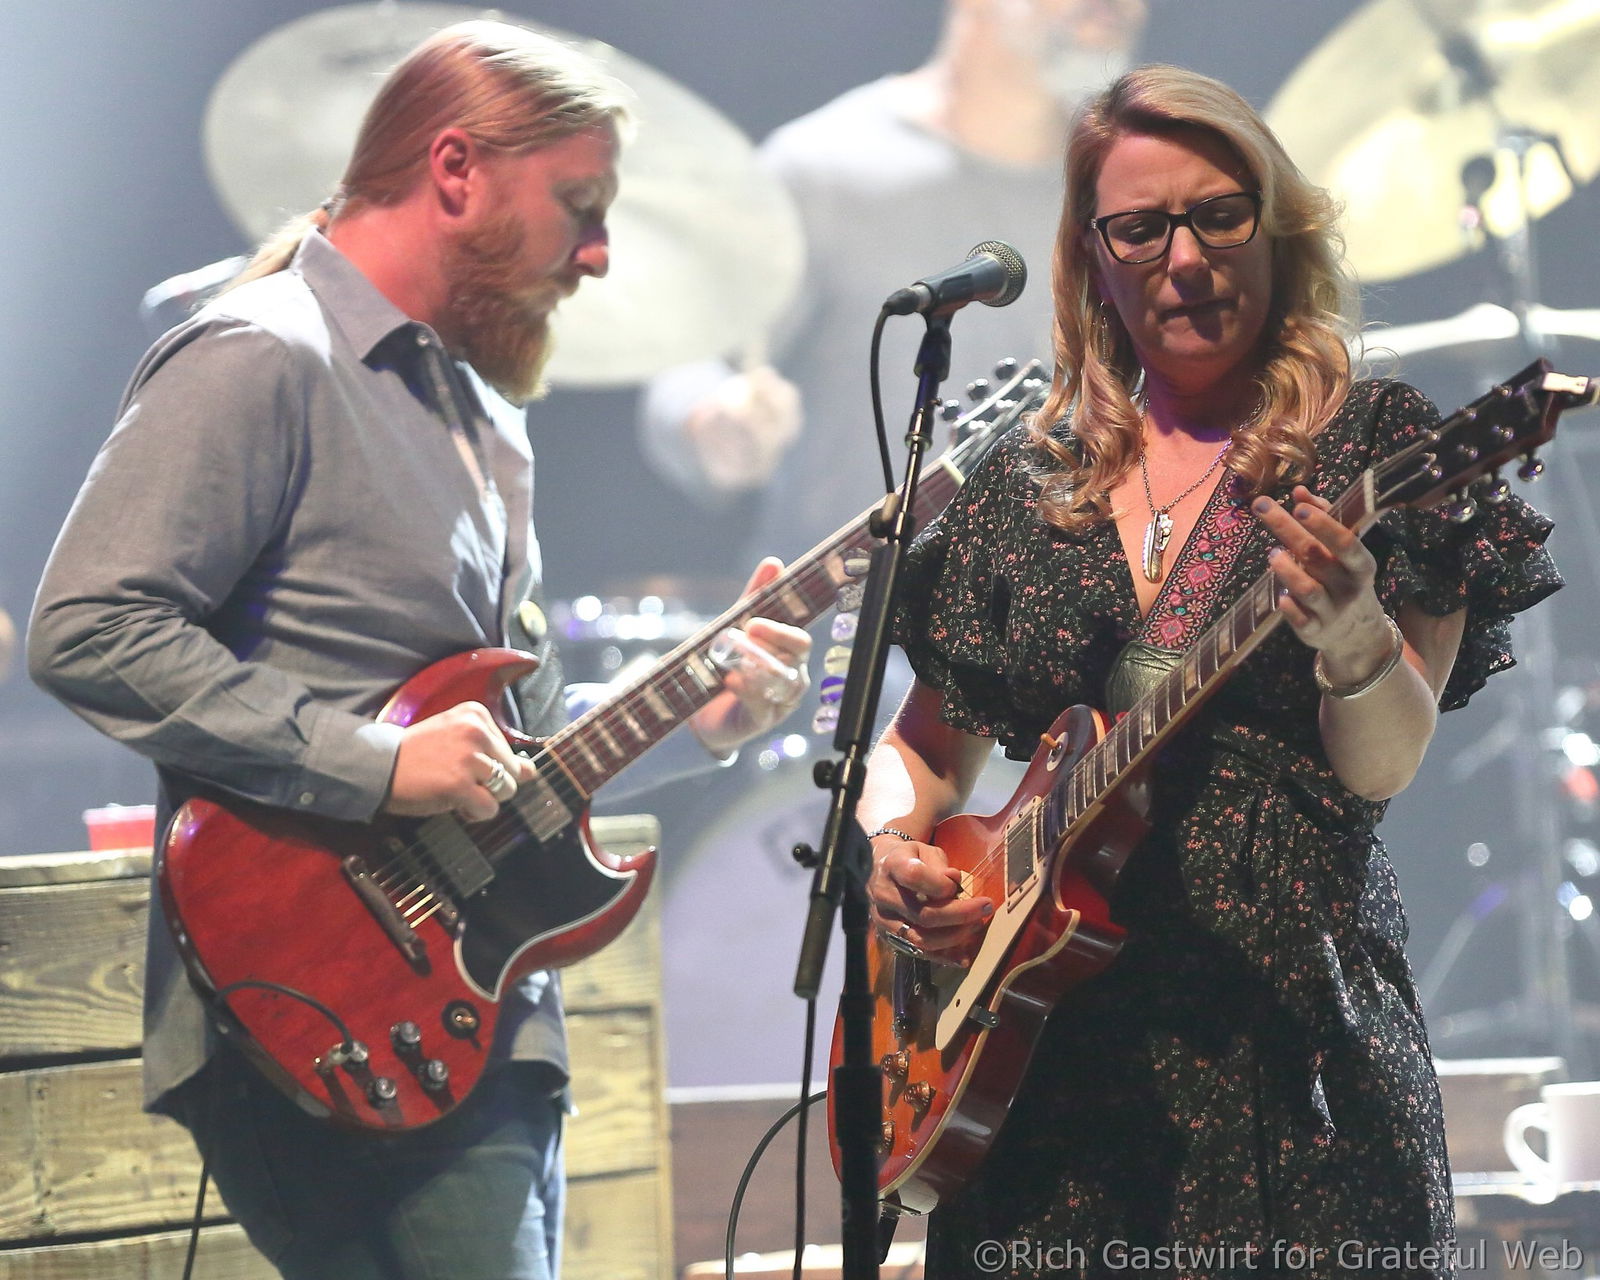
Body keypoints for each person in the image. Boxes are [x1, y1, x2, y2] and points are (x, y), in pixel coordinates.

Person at [28, 22, 810, 1280]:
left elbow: (522, 751)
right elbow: (88, 625)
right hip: (316, 992)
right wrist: (379, 764)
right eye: (580, 205)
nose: (600, 253)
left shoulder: (482, 414)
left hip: (473, 1017)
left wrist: (694, 722)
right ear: (456, 171)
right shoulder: (263, 352)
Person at [861, 66, 1561, 1277]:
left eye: (1217, 216)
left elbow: (1384, 765)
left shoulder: (1375, 444)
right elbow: (926, 747)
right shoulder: (1026, 485)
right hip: (1037, 1071)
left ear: (1275, 230)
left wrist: (1352, 639)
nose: (1182, 258)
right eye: (1140, 228)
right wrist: (890, 845)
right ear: (1093, 259)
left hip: (1284, 1044)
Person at [639, 0, 1147, 566]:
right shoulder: (821, 166)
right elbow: (689, 363)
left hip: (1058, 607)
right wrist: (714, 418)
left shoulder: (1138, 187)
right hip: (840, 605)